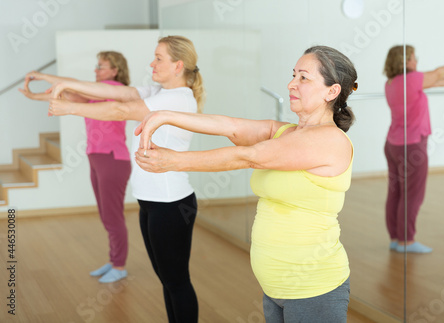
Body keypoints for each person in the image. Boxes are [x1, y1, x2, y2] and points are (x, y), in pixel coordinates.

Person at [133, 46, 358, 323]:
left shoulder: (330, 141)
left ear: (331, 91)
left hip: (313, 288)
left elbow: (250, 156)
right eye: (293, 75)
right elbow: (231, 127)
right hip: (275, 288)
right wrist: (165, 115)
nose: (292, 84)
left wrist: (173, 161)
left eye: (303, 78)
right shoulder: (286, 131)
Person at [38, 36, 205, 322]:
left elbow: (121, 110)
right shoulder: (158, 91)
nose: (151, 63)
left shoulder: (176, 99)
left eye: (158, 58)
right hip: (152, 202)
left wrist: (70, 107)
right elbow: (111, 92)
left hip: (171, 204)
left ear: (178, 65)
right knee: (167, 280)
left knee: (176, 281)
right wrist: (57, 82)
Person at [19, 51, 132, 283]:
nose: (96, 70)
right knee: (106, 215)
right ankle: (113, 260)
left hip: (113, 160)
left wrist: (41, 75)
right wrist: (34, 96)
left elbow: (73, 87)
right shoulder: (96, 94)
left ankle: (119, 266)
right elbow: (69, 95)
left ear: (115, 70)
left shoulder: (114, 90)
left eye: (101, 66)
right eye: (97, 66)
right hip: (98, 158)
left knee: (112, 217)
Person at [383, 45, 444, 253]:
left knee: (395, 192)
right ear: (404, 61)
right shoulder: (412, 79)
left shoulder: (391, 83)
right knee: (412, 194)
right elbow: (438, 73)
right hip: (411, 145)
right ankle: (407, 241)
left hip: (392, 145)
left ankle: (396, 239)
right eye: (414, 58)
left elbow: (437, 81)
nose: (416, 62)